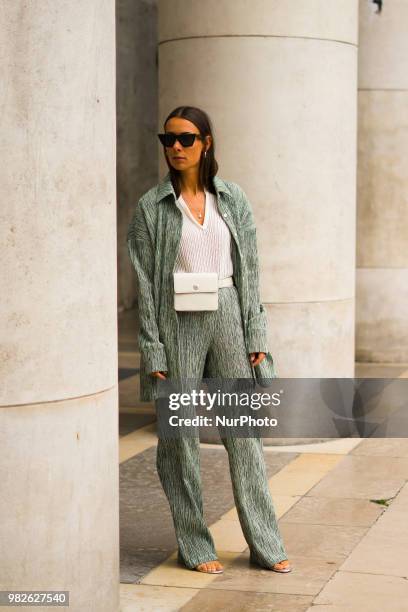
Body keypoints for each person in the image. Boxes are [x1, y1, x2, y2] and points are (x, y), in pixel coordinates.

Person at [126, 105, 291, 574]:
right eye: (168, 140)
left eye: (186, 139)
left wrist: (255, 330)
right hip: (176, 320)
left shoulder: (232, 198)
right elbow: (144, 283)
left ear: (207, 143)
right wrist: (152, 347)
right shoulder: (151, 207)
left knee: (244, 434)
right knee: (179, 440)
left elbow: (250, 270)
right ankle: (195, 544)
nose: (175, 148)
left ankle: (266, 542)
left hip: (227, 315)